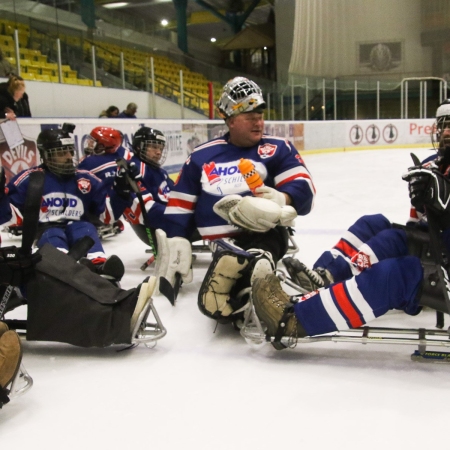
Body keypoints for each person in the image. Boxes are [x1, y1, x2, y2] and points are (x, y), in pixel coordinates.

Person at [251, 99, 450, 349]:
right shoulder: (435, 164)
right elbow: (418, 224)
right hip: (441, 246)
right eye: (443, 124)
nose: (445, 132)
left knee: (397, 274)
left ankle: (291, 321)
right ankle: (326, 277)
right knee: (376, 226)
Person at [157, 76, 316, 323]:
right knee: (231, 261)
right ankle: (243, 285)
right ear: (230, 120)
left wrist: (282, 197)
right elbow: (180, 204)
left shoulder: (277, 148)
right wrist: (176, 238)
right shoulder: (202, 156)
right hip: (221, 243)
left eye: (260, 115)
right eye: (249, 116)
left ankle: (252, 274)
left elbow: (304, 190)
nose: (258, 122)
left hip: (266, 232)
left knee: (262, 249)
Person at [0, 124, 133, 284]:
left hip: (80, 228)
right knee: (53, 235)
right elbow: (10, 217)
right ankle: (63, 268)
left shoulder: (85, 178)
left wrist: (122, 192)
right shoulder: (30, 179)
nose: (69, 156)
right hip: (46, 230)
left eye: (70, 151)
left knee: (85, 229)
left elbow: (106, 216)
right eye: (62, 153)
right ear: (46, 155)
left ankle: (100, 267)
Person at [120, 127, 173, 236]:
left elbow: (178, 192)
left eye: (161, 148)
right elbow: (146, 209)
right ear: (140, 147)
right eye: (154, 147)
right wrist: (180, 215)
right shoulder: (134, 170)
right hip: (153, 228)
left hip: (167, 218)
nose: (159, 152)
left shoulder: (159, 171)